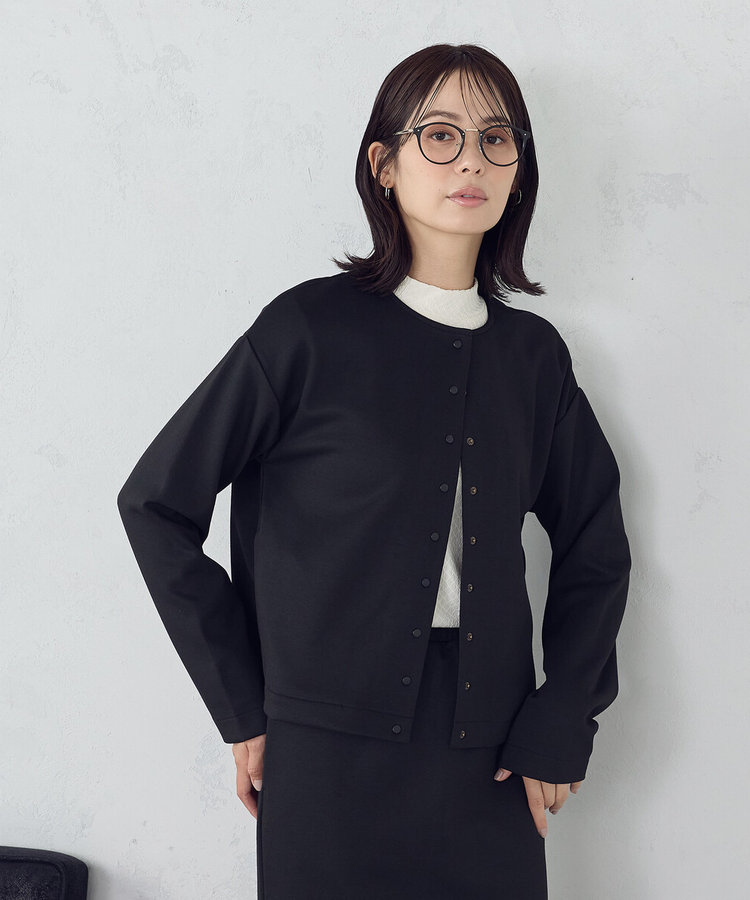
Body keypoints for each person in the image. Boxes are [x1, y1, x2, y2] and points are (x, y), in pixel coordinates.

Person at [117, 42, 631, 899]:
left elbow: (596, 544)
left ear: (518, 173)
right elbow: (154, 504)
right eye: (440, 134)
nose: (471, 160)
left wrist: (563, 715)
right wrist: (242, 704)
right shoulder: (304, 331)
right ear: (383, 165)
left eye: (497, 138)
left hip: (493, 755)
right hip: (323, 753)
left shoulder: (534, 358)